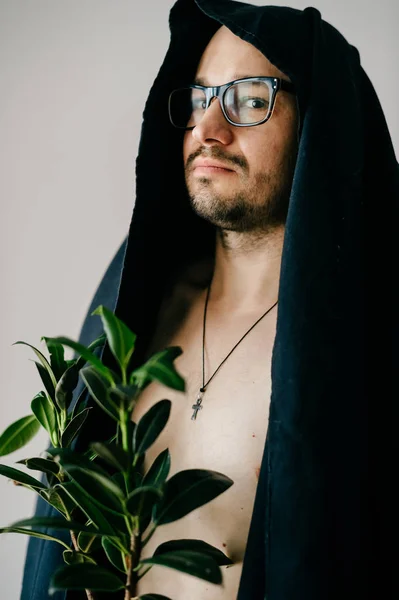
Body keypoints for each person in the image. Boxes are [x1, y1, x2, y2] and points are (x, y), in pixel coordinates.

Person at [21, 1, 397, 599]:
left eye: (249, 99)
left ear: (319, 124)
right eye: (200, 98)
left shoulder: (364, 353)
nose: (208, 130)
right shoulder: (134, 310)